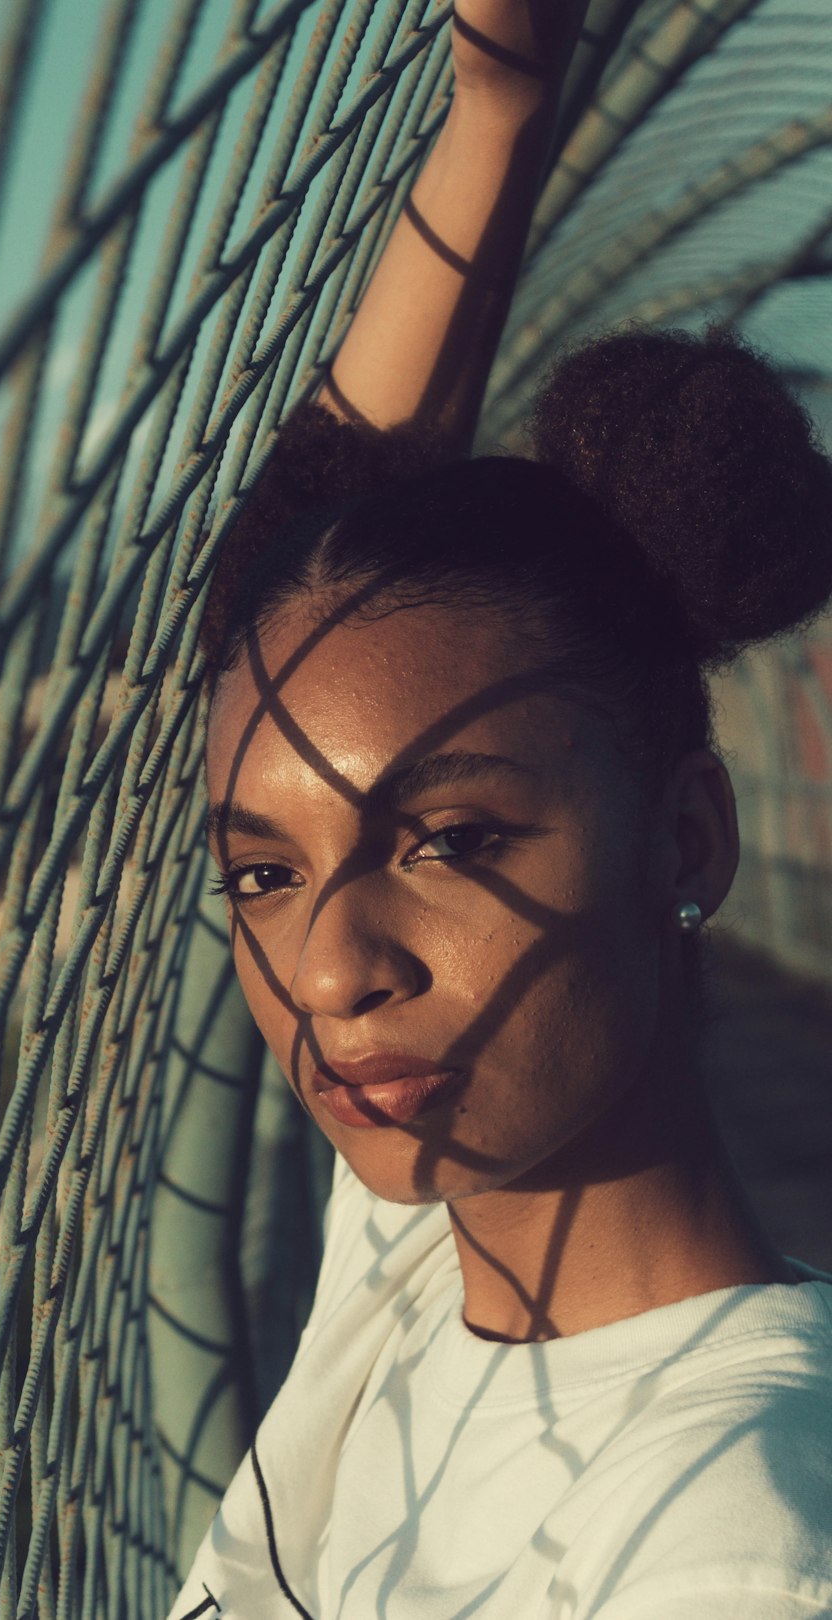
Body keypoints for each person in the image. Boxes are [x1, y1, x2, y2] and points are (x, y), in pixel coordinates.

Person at [168, 2, 832, 1615]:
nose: (330, 971)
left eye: (450, 840)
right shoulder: (428, 1238)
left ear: (684, 840)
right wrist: (497, 114)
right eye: (263, 871)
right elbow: (329, 556)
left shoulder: (730, 1539)